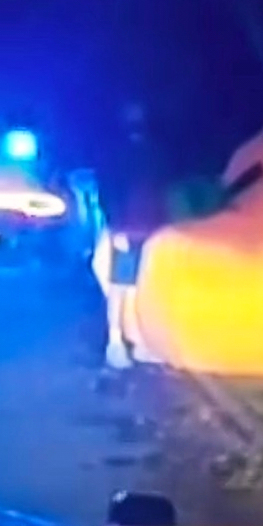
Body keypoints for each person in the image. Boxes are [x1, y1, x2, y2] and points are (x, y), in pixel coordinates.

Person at [97, 103, 166, 370]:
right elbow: (110, 192)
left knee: (141, 288)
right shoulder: (118, 153)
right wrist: (116, 228)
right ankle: (115, 343)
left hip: (150, 227)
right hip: (128, 228)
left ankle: (141, 343)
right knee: (121, 286)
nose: (137, 119)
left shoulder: (154, 151)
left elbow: (159, 190)